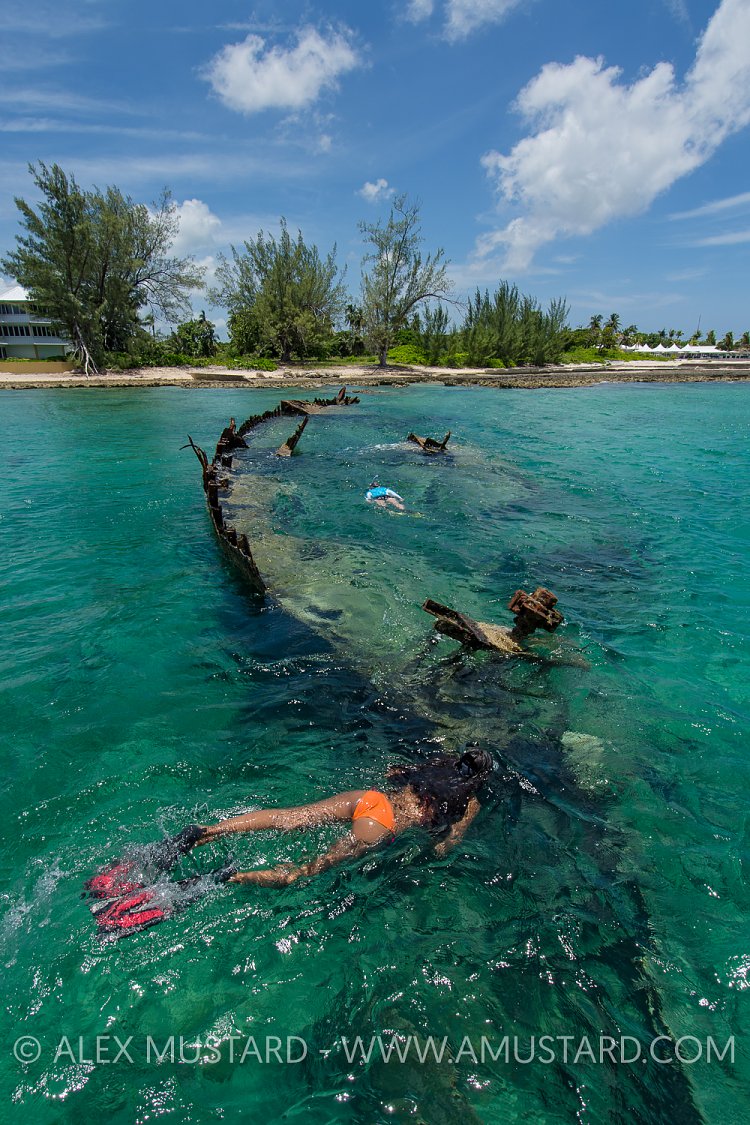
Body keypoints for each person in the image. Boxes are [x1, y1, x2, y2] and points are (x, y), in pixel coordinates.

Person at [188, 747, 493, 887]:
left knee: (290, 817)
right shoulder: (470, 802)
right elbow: (446, 845)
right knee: (306, 869)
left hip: (371, 799)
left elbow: (393, 773)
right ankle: (231, 878)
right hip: (382, 825)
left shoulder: (438, 764)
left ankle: (208, 830)